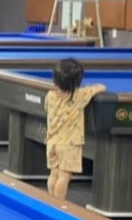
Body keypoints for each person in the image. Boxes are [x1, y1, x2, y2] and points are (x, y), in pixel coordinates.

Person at [43, 58, 104, 201]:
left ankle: (51, 201)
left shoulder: (50, 96)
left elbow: (46, 108)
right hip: (69, 145)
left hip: (51, 142)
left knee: (54, 174)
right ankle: (59, 203)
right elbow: (101, 87)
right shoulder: (78, 95)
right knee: (64, 177)